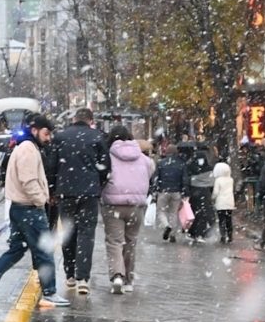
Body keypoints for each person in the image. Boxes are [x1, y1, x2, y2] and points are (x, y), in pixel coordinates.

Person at [0, 113, 71, 308]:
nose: (49, 138)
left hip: (20, 208)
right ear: (35, 131)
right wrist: (41, 200)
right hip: (29, 209)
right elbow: (28, 181)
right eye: (46, 133)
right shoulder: (28, 149)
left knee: (17, 249)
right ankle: (49, 292)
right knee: (44, 250)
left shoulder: (24, 146)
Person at [47, 107, 110, 295]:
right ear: (91, 121)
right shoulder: (97, 137)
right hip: (89, 192)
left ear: (74, 119)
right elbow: (105, 167)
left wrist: (52, 189)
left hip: (65, 192)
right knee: (86, 233)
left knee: (68, 231)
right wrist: (97, 183)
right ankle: (83, 277)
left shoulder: (60, 137)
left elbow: (51, 165)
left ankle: (70, 274)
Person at [100, 126, 154, 294]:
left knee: (114, 242)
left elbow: (102, 176)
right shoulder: (144, 159)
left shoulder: (107, 156)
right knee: (130, 242)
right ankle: (128, 281)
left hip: (113, 204)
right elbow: (150, 174)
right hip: (136, 205)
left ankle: (117, 275)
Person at [150, 145, 189, 243]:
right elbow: (185, 180)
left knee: (160, 211)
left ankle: (166, 225)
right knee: (174, 213)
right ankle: (173, 234)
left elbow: (155, 178)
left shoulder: (161, 163)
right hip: (176, 192)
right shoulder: (181, 164)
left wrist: (154, 190)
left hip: (163, 191)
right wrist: (185, 192)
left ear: (166, 152)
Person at [187, 151, 215, 243]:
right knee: (203, 214)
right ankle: (200, 233)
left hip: (194, 193)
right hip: (204, 193)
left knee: (195, 213)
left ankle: (193, 232)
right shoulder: (209, 169)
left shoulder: (190, 168)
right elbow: (212, 183)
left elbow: (187, 181)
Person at [213, 161, 235, 244]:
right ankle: (230, 236)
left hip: (220, 202)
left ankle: (223, 236)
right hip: (229, 202)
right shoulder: (231, 180)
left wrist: (213, 198)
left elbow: (216, 192)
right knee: (229, 219)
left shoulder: (218, 180)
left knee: (221, 220)